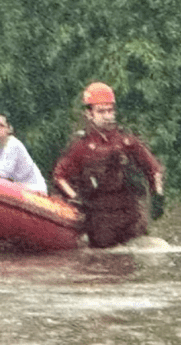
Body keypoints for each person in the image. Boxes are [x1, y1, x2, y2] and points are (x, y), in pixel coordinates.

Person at [52, 82, 166, 248]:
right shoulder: (80, 146)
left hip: (130, 214)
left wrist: (158, 195)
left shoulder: (126, 140)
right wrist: (75, 199)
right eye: (101, 111)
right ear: (89, 114)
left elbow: (153, 168)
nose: (107, 116)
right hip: (100, 217)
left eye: (110, 111)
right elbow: (60, 176)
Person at [0, 112, 48, 194]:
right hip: (14, 187)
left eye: (1, 126)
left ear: (9, 129)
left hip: (34, 189)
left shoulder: (13, 145)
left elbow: (3, 177)